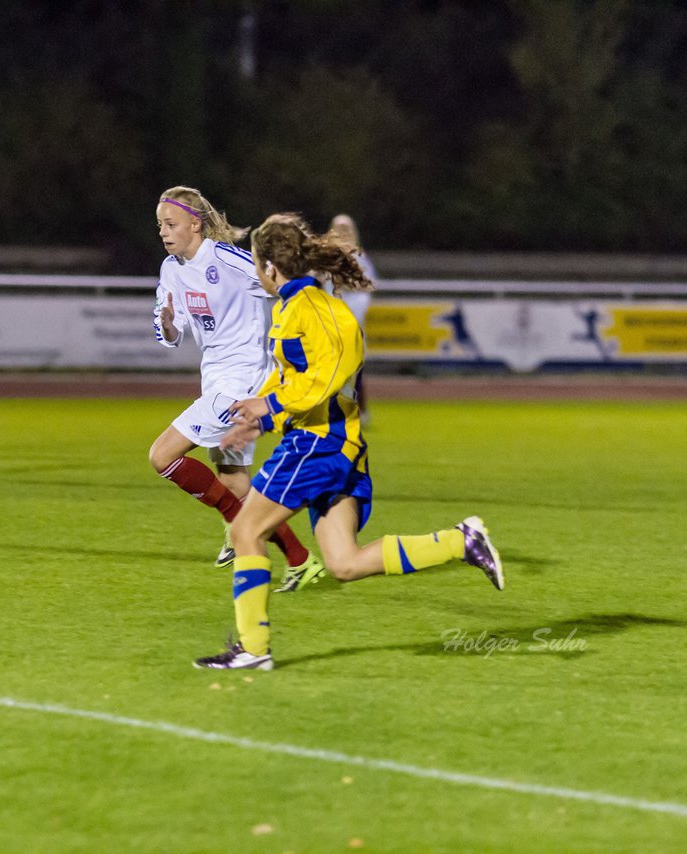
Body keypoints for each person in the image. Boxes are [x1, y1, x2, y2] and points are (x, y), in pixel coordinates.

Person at [194, 214, 504, 671]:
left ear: (270, 268)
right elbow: (296, 378)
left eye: (255, 264)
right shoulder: (292, 306)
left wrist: (271, 409)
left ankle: (253, 649)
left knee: (245, 532)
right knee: (344, 563)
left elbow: (327, 380)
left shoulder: (316, 311)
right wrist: (259, 412)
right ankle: (462, 542)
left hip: (318, 446)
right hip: (330, 444)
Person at [149, 186, 324, 590]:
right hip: (215, 377)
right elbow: (167, 332)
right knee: (233, 480)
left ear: (196, 223)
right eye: (159, 225)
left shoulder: (226, 259)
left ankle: (237, 524)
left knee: (162, 456)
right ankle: (299, 560)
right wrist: (170, 323)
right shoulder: (171, 269)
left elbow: (281, 282)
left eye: (171, 224)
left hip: (242, 382)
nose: (163, 232)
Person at [328, 214, 376, 419]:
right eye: (339, 228)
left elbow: (369, 285)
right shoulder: (326, 256)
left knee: (355, 365)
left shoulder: (359, 256)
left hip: (352, 319)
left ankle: (360, 410)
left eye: (346, 228)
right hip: (331, 319)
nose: (342, 232)